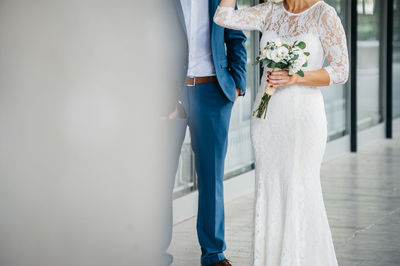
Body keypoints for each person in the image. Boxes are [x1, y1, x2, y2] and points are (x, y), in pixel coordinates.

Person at [214, 0, 349, 265]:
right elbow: (223, 16)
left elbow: (341, 70)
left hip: (303, 118)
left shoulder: (324, 14)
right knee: (270, 190)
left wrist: (297, 77)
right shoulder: (269, 11)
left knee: (299, 185)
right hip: (266, 119)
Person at [170, 0, 247, 265]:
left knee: (211, 177)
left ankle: (214, 254)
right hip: (171, 97)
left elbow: (236, 38)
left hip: (213, 93)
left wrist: (237, 84)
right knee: (159, 179)